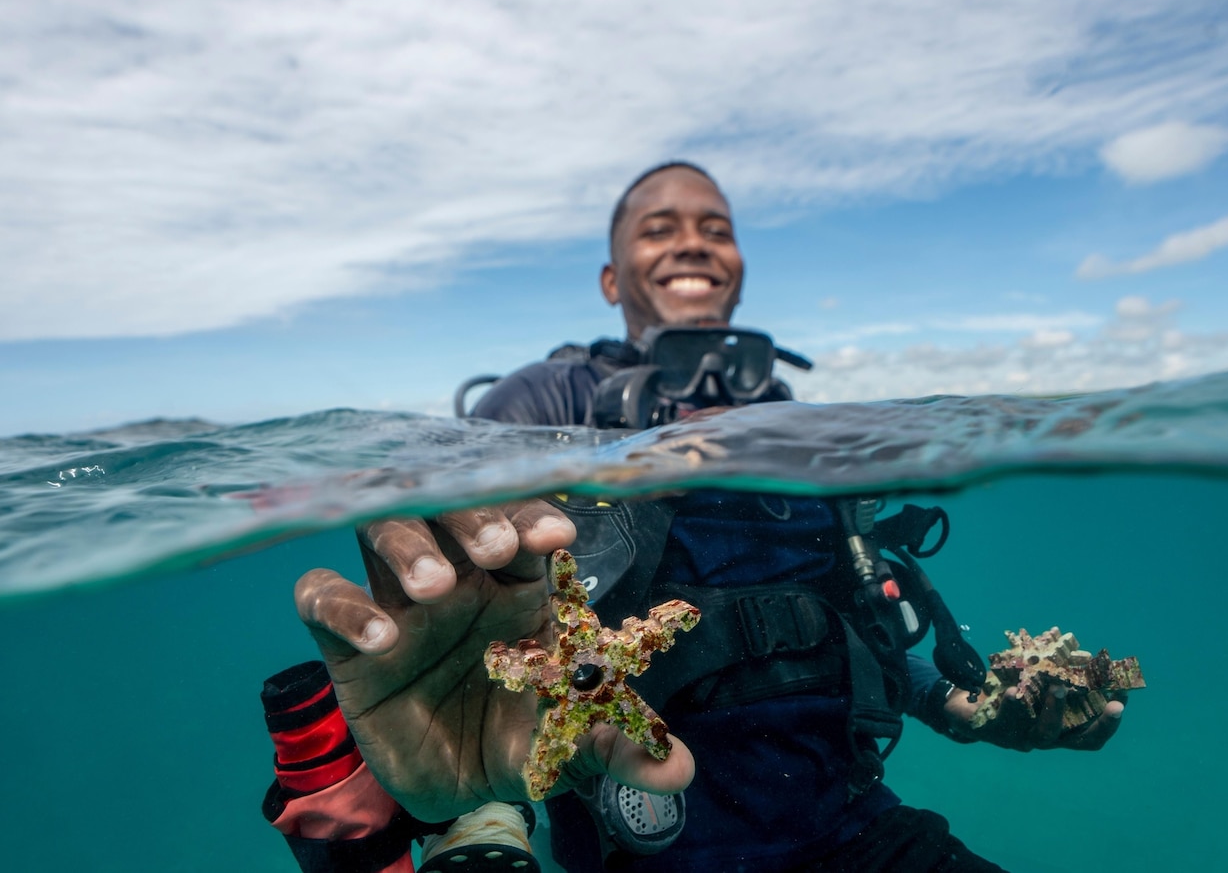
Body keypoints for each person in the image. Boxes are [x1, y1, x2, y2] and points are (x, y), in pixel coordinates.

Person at [259, 163, 1126, 873]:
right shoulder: (547, 399)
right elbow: (474, 603)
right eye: (658, 227)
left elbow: (858, 614)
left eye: (716, 227)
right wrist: (486, 820)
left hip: (858, 833)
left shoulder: (795, 425)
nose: (692, 243)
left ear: (741, 264)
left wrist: (973, 710)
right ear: (610, 278)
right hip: (646, 856)